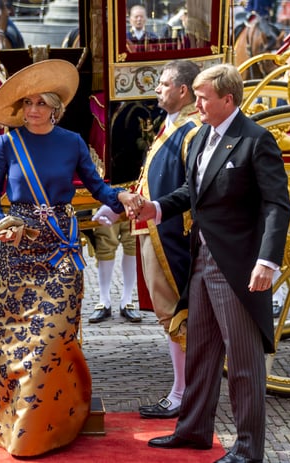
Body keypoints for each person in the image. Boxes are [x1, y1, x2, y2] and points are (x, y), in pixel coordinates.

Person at [128, 63, 290, 463]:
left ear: (228, 100)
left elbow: (277, 206)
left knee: (243, 364)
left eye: (203, 98)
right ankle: (195, 430)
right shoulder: (202, 135)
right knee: (201, 352)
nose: (196, 104)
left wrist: (267, 261)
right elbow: (190, 191)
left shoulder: (255, 140)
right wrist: (155, 208)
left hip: (236, 266)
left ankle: (249, 450)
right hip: (201, 259)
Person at [0, 59, 136, 457]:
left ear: (55, 107)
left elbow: (98, 187)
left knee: (51, 340)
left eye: (40, 103)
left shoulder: (72, 142)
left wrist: (120, 196)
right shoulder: (7, 143)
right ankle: (16, 425)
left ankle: (49, 426)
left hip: (60, 250)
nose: (32, 109)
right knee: (15, 343)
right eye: (27, 103)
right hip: (18, 252)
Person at [95, 59, 201, 418]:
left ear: (182, 90)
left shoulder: (191, 130)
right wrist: (118, 208)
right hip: (156, 229)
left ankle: (182, 392)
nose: (157, 88)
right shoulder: (172, 125)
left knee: (176, 313)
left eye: (164, 83)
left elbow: (189, 189)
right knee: (169, 313)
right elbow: (148, 179)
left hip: (172, 233)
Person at [85, 220, 142, 323]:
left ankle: (127, 300)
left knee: (133, 243)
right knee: (104, 243)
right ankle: (104, 301)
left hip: (134, 206)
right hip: (107, 205)